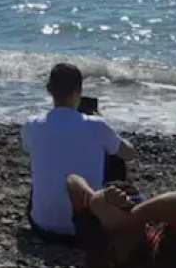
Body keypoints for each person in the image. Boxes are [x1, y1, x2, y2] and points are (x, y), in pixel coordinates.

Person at [23, 62, 136, 244]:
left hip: (43, 226)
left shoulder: (32, 125)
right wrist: (103, 124)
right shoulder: (96, 125)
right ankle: (111, 211)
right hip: (87, 228)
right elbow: (129, 153)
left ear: (49, 90)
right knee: (115, 157)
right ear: (79, 90)